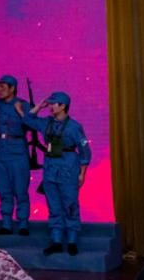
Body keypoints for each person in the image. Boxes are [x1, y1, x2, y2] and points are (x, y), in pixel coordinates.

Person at [15, 91, 91, 256]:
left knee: (70, 205)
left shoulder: (74, 126)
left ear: (63, 106)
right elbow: (27, 120)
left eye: (53, 103)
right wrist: (39, 107)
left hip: (68, 167)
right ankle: (56, 241)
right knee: (54, 206)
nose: (50, 106)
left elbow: (85, 151)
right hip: (50, 168)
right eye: (49, 104)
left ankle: (72, 241)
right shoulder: (46, 123)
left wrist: (82, 174)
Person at [0, 75, 32, 236]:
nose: (0, 90)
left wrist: (22, 113)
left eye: (3, 87)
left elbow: (32, 124)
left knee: (20, 190)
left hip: (17, 150)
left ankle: (23, 223)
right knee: (3, 189)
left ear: (12, 88)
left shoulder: (22, 104)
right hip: (0, 150)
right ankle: (6, 223)